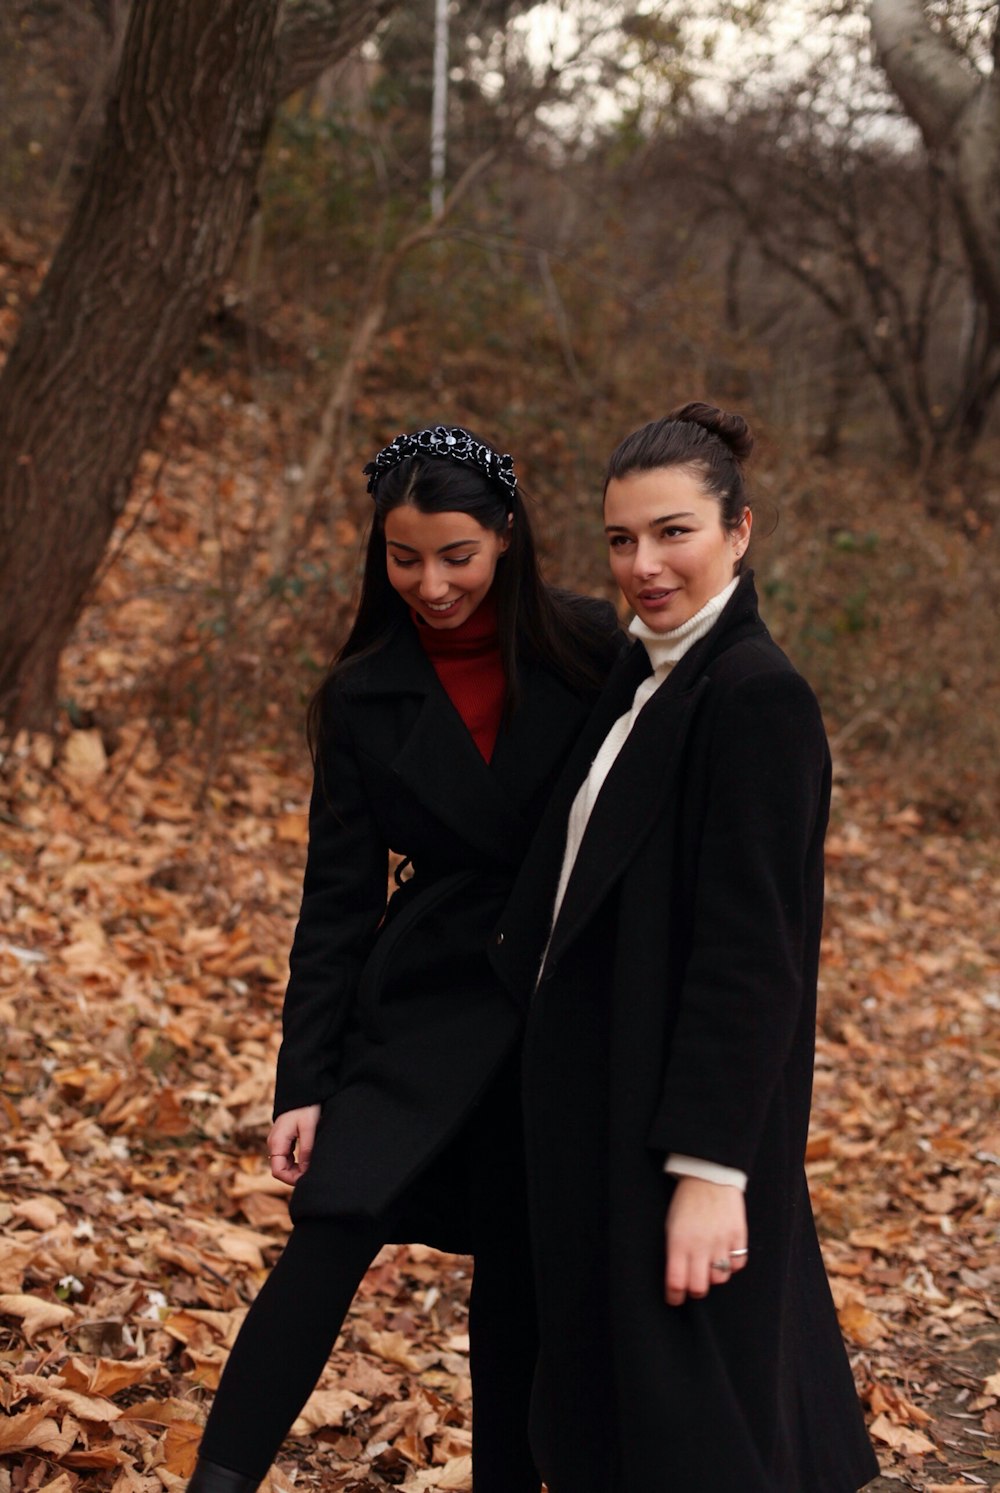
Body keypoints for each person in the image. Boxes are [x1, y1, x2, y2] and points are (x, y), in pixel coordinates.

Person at [186, 426, 623, 1493]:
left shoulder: (596, 648)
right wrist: (305, 1081)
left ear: (508, 540)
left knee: (519, 1268)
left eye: (457, 555)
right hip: (422, 994)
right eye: (403, 555)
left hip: (557, 999)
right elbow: (332, 903)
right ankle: (216, 1477)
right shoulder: (361, 693)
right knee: (334, 1219)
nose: (430, 583)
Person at [490, 404, 879, 1492]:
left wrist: (712, 1171)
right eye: (620, 539)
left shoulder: (757, 697)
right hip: (594, 1101)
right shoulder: (641, 671)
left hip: (675, 1125)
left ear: (739, 531)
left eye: (673, 533)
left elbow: (754, 954)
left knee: (694, 1425)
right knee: (623, 1413)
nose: (643, 564)